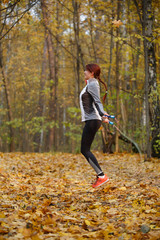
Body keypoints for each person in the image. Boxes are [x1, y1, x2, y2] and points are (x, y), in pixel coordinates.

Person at [80, 63, 110, 188]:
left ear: (92, 72)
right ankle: (100, 176)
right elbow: (94, 102)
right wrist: (102, 115)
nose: (84, 72)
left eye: (86, 70)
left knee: (85, 149)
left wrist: (103, 114)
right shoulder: (90, 83)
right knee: (85, 149)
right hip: (92, 119)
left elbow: (97, 102)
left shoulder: (92, 84)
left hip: (93, 119)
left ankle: (102, 176)